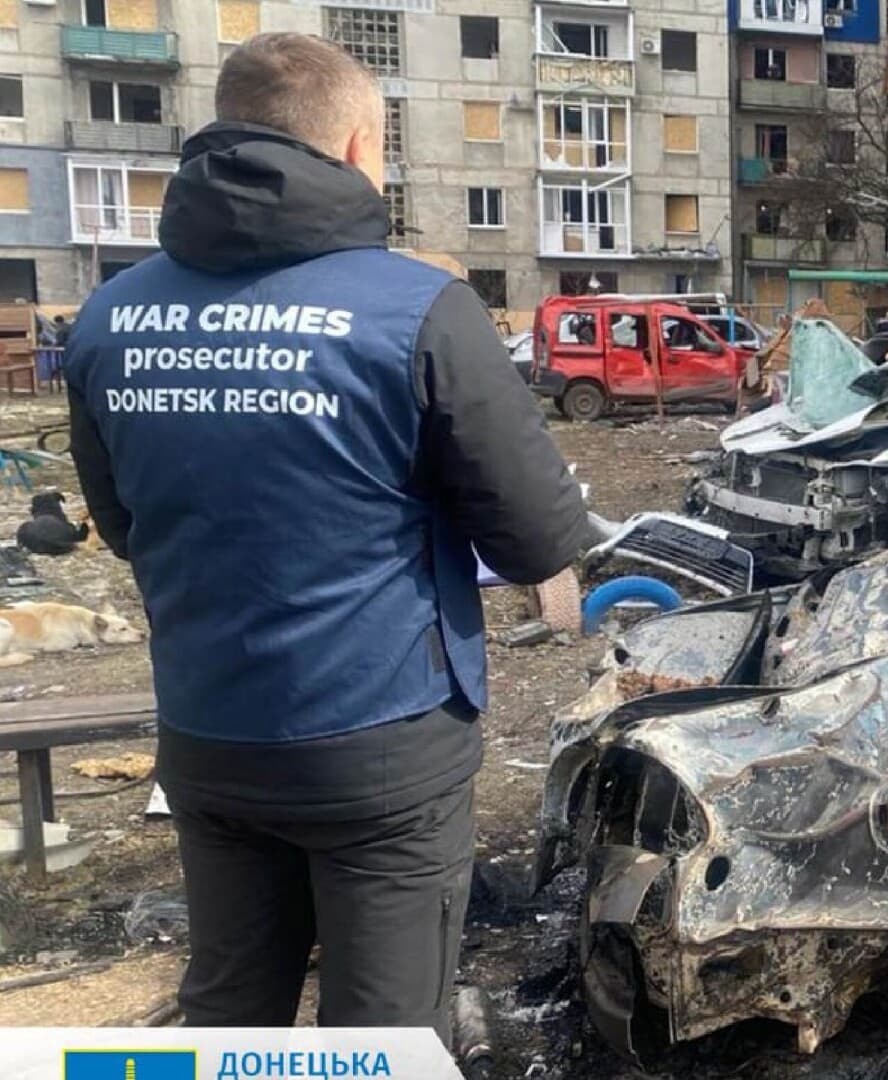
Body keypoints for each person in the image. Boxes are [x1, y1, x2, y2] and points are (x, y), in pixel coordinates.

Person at [63, 34, 592, 1039]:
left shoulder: (109, 317)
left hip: (209, 736)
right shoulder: (421, 309)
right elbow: (535, 541)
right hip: (382, 748)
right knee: (383, 1040)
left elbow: (126, 528)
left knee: (229, 1015)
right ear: (355, 147)